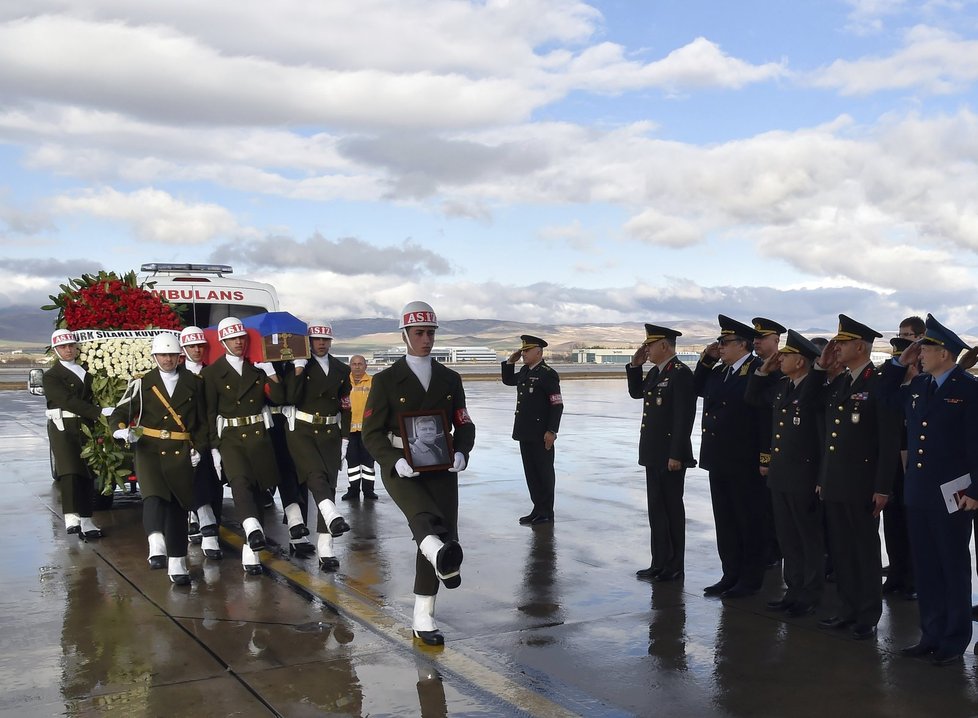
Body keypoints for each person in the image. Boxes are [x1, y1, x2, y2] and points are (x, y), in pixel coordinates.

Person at [362, 301, 475, 646]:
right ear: (405, 335)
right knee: (424, 522)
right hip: (402, 467)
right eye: (419, 333)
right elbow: (371, 432)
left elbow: (463, 421)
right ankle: (444, 566)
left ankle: (423, 616)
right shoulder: (385, 381)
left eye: (430, 333)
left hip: (441, 467)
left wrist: (462, 450)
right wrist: (392, 459)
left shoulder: (450, 378)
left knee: (440, 535)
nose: (426, 339)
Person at [879, 314, 978, 665]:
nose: (919, 353)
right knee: (926, 567)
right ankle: (930, 633)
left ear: (946, 353)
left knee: (951, 566)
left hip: (953, 496)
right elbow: (884, 398)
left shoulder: (968, 390)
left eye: (927, 348)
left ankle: (953, 639)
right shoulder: (919, 386)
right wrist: (896, 363)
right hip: (919, 492)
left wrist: (975, 491)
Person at [815, 315, 901, 640]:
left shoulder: (877, 383)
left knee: (864, 552)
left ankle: (867, 615)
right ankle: (848, 608)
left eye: (842, 343)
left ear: (860, 346)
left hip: (863, 484)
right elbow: (826, 432)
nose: (836, 348)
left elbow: (888, 442)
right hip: (836, 482)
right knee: (841, 551)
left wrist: (882, 487)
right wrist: (822, 369)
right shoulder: (840, 382)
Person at [109, 333, 208, 584]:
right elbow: (121, 411)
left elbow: (201, 421)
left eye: (172, 355)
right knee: (153, 497)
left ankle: (177, 562)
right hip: (149, 448)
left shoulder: (194, 383)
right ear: (154, 357)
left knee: (177, 506)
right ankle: (156, 545)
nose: (167, 359)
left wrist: (199, 448)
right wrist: (120, 429)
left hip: (180, 450)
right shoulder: (142, 384)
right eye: (163, 355)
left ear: (179, 356)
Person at [745, 330, 825, 617]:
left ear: (801, 362)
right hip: (780, 475)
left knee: (807, 539)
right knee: (788, 538)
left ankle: (810, 593)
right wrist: (763, 371)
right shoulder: (782, 387)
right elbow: (753, 399)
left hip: (804, 476)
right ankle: (793, 590)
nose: (781, 359)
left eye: (787, 356)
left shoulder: (813, 390)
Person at [201, 317, 285, 575]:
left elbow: (281, 398)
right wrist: (214, 448)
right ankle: (251, 528)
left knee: (259, 490)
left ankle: (252, 549)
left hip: (258, 435)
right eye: (233, 339)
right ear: (223, 342)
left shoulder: (257, 371)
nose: (239, 342)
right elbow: (208, 412)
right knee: (240, 482)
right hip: (231, 436)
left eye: (241, 338)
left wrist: (270, 371)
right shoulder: (212, 373)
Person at [695, 315, 767, 599]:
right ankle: (730, 574)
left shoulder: (758, 370)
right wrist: (705, 360)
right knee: (725, 521)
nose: (719, 346)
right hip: (719, 458)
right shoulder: (719, 372)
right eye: (719, 342)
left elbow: (763, 417)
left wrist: (765, 457)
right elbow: (696, 389)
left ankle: (750, 579)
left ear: (743, 344)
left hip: (745, 460)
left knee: (748, 521)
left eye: (725, 342)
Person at [626, 324, 695, 582]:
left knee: (671, 511)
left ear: (664, 346)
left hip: (670, 456)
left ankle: (674, 565)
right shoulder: (657, 372)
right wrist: (635, 366)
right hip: (654, 453)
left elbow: (683, 418)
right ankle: (659, 562)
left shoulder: (680, 373)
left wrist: (676, 454)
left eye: (650, 345)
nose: (647, 349)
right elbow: (636, 393)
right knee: (657, 510)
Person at [284, 320, 353, 572]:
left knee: (330, 485)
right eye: (316, 340)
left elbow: (345, 406)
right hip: (302, 430)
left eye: (326, 340)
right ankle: (332, 517)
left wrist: (345, 437)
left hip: (330, 432)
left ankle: (326, 547)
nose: (322, 344)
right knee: (314, 475)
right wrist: (298, 369)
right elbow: (289, 396)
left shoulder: (341, 369)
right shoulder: (299, 365)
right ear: (308, 342)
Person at [43, 329, 108, 539]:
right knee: (70, 470)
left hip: (85, 425)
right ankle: (71, 515)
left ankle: (87, 519)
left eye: (71, 345)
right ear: (56, 350)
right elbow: (66, 400)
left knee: (87, 472)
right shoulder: (52, 376)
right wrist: (98, 412)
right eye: (63, 347)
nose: (68, 350)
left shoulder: (86, 371)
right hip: (64, 426)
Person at [501, 335, 563, 525]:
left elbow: (557, 404)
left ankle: (546, 512)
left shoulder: (547, 374)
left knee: (543, 473)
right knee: (531, 473)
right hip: (525, 432)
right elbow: (508, 380)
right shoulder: (525, 372)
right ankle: (537, 509)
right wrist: (509, 362)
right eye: (523, 351)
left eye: (527, 351)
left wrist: (552, 431)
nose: (523, 354)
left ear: (538, 352)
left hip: (541, 433)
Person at [179, 326, 223, 561]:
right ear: (183, 349)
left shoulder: (211, 373)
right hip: (183, 437)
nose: (197, 350)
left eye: (200, 346)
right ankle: (204, 524)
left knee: (213, 484)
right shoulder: (176, 374)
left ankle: (208, 523)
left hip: (208, 435)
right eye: (191, 346)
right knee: (193, 479)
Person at [751, 317, 787, 568]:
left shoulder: (782, 371)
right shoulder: (757, 367)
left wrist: (767, 456)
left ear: (776, 341)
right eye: (754, 338)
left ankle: (773, 553)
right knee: (759, 508)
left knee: (772, 509)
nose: (756, 342)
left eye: (761, 339)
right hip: (753, 448)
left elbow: (768, 418)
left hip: (774, 451)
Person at [341, 355, 379, 501]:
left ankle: (369, 490)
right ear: (350, 366)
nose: (357, 367)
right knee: (352, 464)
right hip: (349, 431)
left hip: (367, 431)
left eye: (360, 364)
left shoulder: (373, 383)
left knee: (368, 463)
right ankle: (353, 490)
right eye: (354, 364)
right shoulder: (344, 382)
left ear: (366, 366)